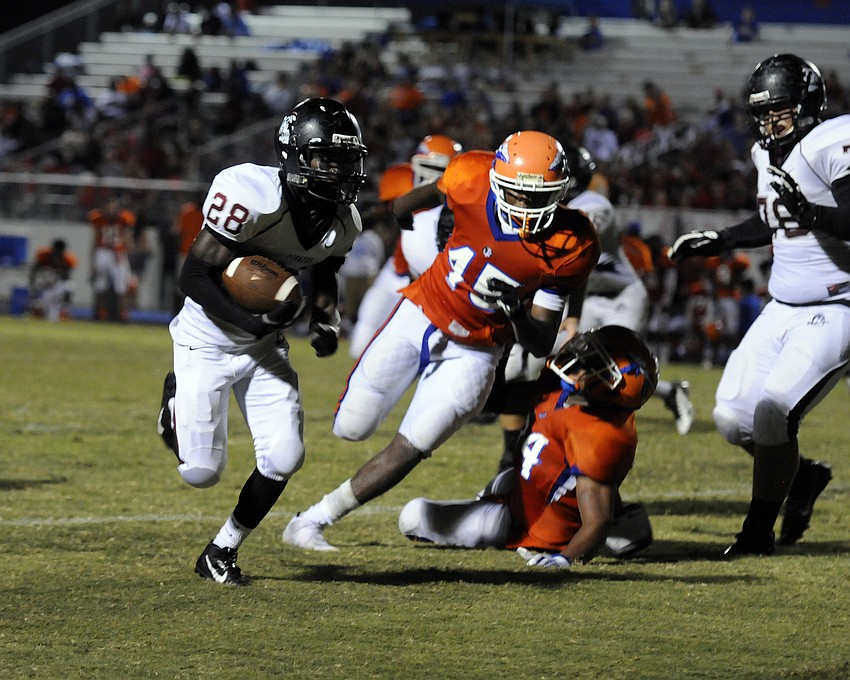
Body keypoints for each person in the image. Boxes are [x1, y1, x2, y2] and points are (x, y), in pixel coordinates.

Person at [283, 130, 600, 552]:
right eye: (516, 193)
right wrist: (407, 214)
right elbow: (410, 201)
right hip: (422, 312)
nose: (525, 206)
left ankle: (312, 520)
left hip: (479, 349)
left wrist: (518, 313)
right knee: (352, 426)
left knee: (415, 443)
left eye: (538, 196)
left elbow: (541, 340)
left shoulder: (571, 242)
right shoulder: (470, 175)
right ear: (496, 180)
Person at [156, 97, 368, 584]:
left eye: (346, 158)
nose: (339, 170)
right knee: (200, 473)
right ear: (295, 156)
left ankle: (221, 552)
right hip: (206, 336)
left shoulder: (343, 221)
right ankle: (173, 402)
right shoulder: (249, 195)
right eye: (326, 158)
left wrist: (324, 319)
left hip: (264, 348)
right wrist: (249, 321)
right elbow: (192, 276)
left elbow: (328, 270)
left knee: (285, 456)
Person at [668, 54, 847, 555]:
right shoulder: (765, 155)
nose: (771, 124)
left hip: (836, 305)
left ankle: (756, 534)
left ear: (809, 106)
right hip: (782, 306)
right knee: (731, 417)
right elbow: (775, 219)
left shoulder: (832, 142)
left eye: (781, 112)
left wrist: (811, 212)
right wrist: (720, 239)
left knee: (772, 415)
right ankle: (802, 475)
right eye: (763, 114)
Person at [398, 325, 658, 567]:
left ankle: (599, 535)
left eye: (591, 362)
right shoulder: (563, 386)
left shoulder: (599, 434)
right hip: (525, 489)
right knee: (503, 481)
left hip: (530, 527)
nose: (578, 359)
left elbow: (597, 520)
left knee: (413, 516)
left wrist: (564, 560)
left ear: (612, 386)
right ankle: (624, 529)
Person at [348, 135, 463, 358]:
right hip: (397, 269)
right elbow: (382, 211)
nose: (433, 177)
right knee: (362, 335)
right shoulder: (401, 180)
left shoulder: (462, 196)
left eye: (442, 170)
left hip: (435, 280)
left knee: (430, 349)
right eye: (428, 167)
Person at [88, 197, 136, 321]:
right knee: (100, 285)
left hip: (118, 253)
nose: (111, 210)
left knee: (122, 286)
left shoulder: (123, 218)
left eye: (113, 207)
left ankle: (122, 314)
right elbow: (96, 239)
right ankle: (100, 313)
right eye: (108, 206)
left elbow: (126, 237)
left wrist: (128, 252)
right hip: (103, 251)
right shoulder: (98, 218)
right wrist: (93, 261)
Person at [29, 238, 77, 321]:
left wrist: (58, 274)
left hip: (58, 285)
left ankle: (65, 308)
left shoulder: (67, 259)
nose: (57, 253)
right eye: (56, 251)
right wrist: (33, 285)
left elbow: (67, 278)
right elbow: (34, 271)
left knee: (70, 286)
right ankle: (40, 312)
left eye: (59, 252)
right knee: (42, 306)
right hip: (45, 284)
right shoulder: (44, 255)